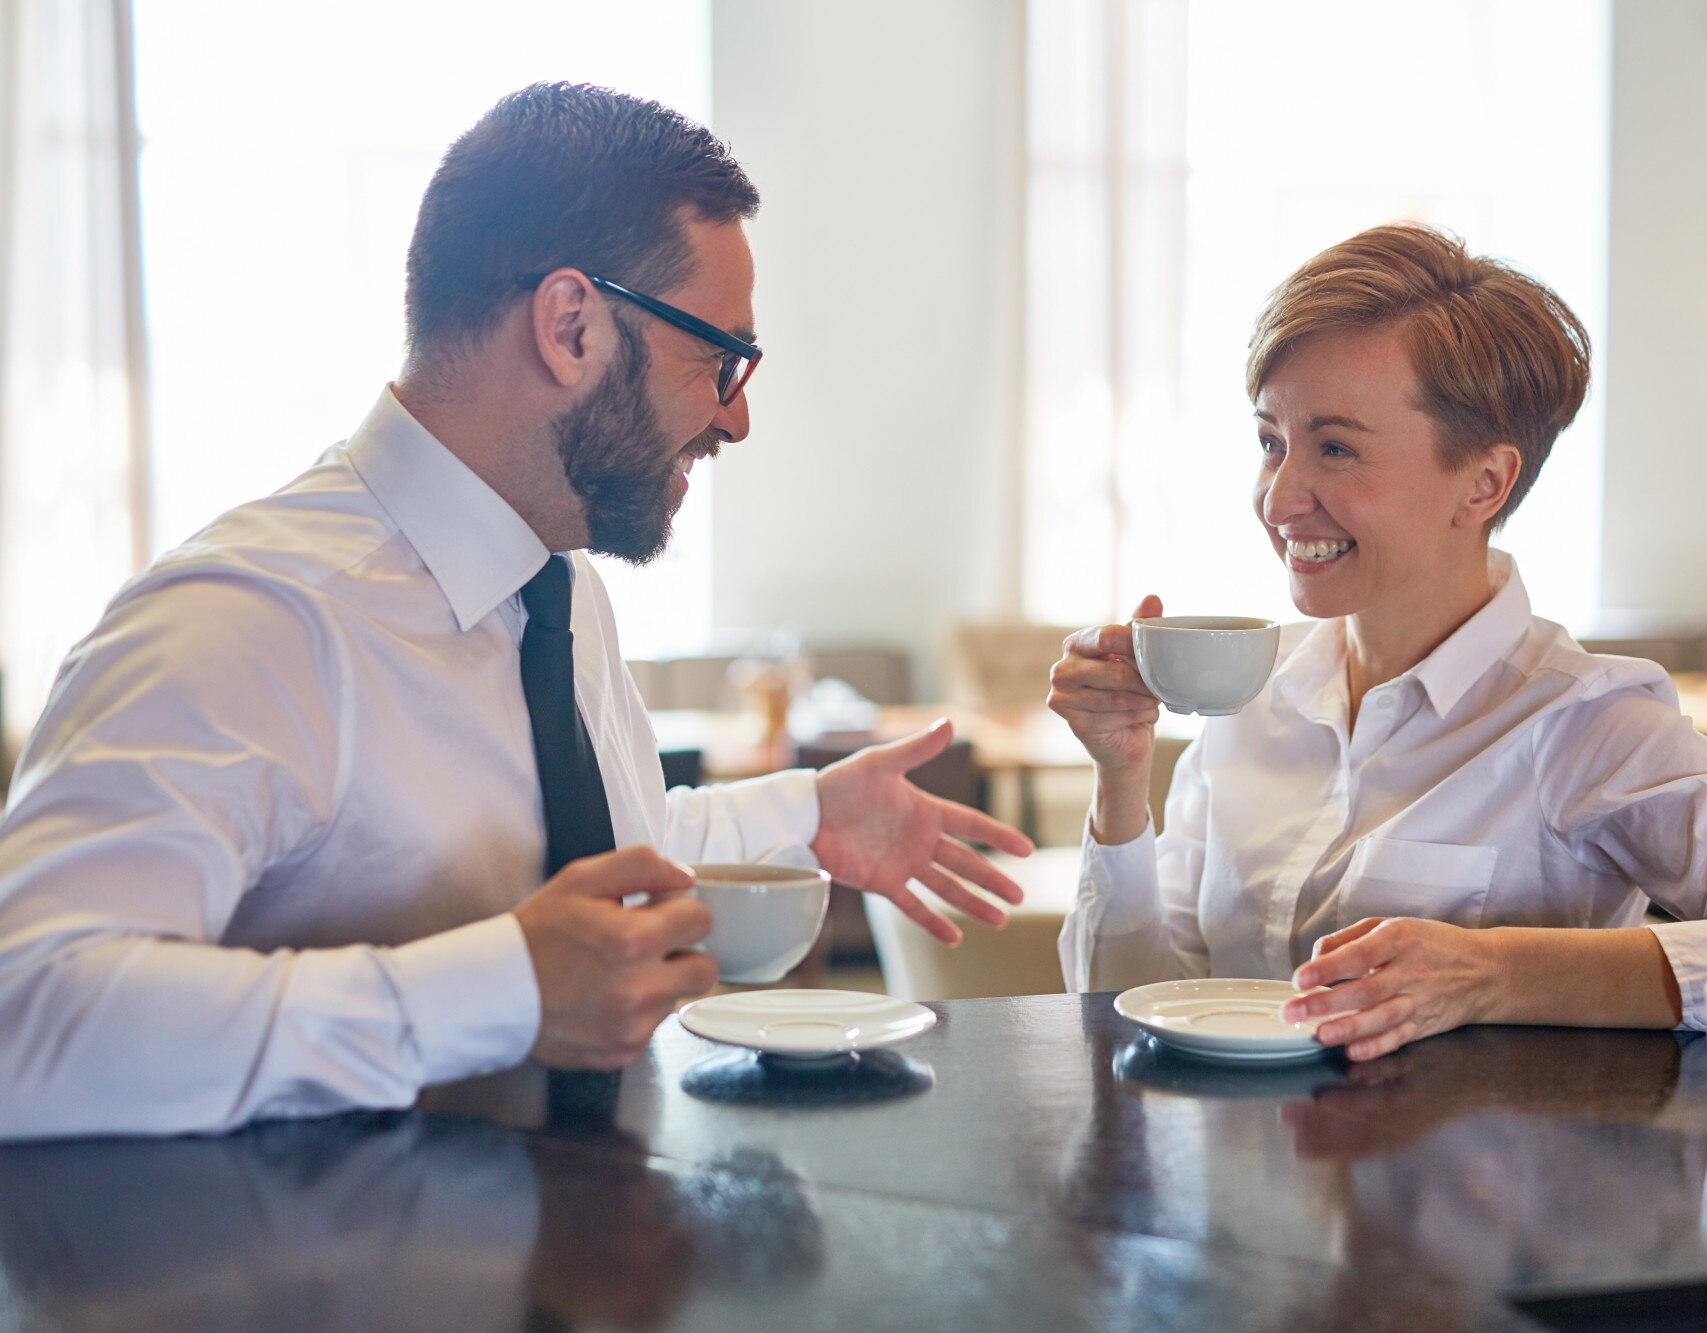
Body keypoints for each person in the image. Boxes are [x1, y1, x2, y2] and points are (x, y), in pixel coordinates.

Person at [0, 83, 1032, 1140]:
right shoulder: (249, 619)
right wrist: (499, 996)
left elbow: (556, 854)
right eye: (717, 357)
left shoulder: (557, 587)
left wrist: (804, 818)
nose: (737, 414)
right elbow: (27, 1023)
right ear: (570, 324)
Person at [1048, 223, 1707, 1059]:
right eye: (1271, 441)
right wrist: (1121, 779)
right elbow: (1131, 1009)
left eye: (1336, 450)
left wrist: (1495, 973)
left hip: (1475, 1209)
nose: (1281, 498)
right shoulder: (1255, 697)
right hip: (1242, 1209)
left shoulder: (1582, 721)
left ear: (1482, 482)